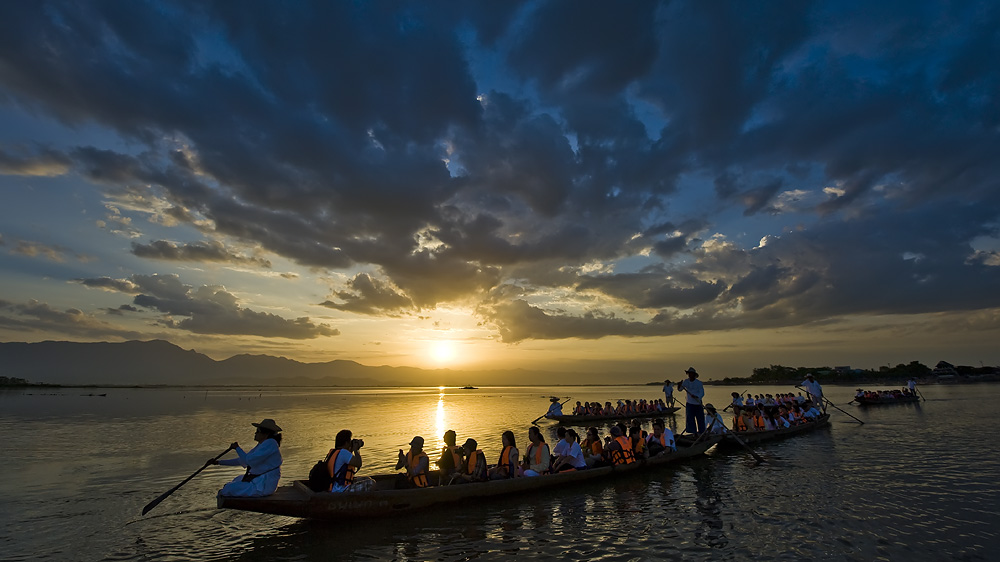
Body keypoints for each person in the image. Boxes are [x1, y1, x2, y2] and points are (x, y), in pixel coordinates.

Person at [211, 418, 283, 497]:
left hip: (264, 486)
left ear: (266, 434)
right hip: (258, 480)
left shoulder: (270, 443)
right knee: (237, 479)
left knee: (227, 489)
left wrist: (237, 448)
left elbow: (248, 460)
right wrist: (218, 462)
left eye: (258, 431)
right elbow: (243, 460)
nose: (255, 433)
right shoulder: (262, 444)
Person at [677, 367, 706, 434]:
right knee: (690, 419)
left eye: (691, 374)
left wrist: (697, 396)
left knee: (700, 419)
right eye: (689, 374)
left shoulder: (699, 383)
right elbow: (680, 389)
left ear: (694, 375)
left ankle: (702, 433)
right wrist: (679, 385)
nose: (690, 375)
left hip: (698, 403)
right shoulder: (686, 382)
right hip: (690, 403)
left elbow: (702, 392)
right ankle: (694, 433)